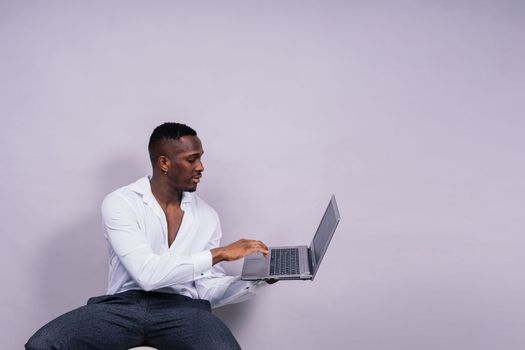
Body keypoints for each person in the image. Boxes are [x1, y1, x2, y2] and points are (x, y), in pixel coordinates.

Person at [26, 122, 271, 350]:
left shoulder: (207, 216)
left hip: (183, 310)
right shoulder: (121, 203)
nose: (201, 167)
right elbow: (147, 275)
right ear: (164, 163)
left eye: (201, 158)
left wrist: (257, 279)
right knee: (43, 344)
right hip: (122, 308)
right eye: (191, 159)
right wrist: (219, 254)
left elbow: (206, 289)